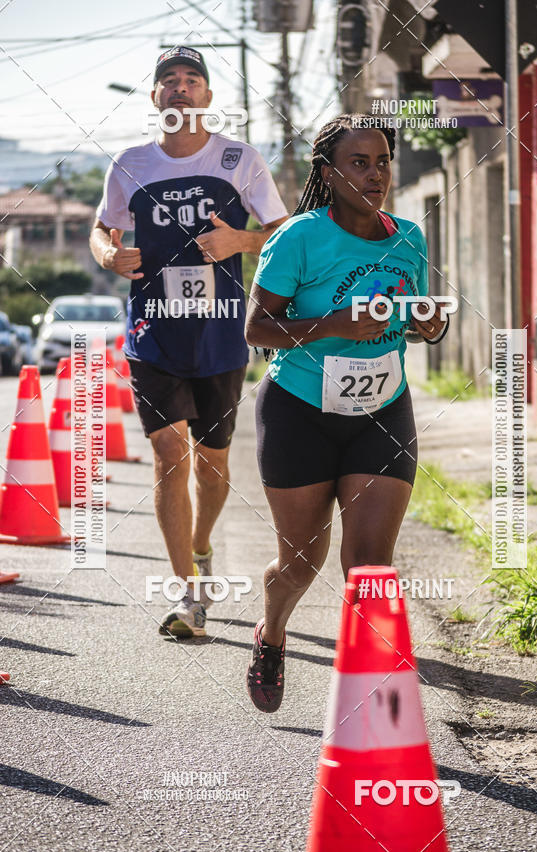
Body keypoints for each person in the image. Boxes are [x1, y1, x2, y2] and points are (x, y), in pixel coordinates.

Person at [244, 113, 448, 712]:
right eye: (359, 162)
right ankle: (273, 632)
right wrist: (331, 325)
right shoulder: (299, 237)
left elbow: (408, 318)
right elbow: (257, 328)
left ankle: (371, 705)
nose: (376, 173)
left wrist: (428, 324)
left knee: (369, 565)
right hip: (299, 410)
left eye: (383, 160)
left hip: (382, 410)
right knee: (300, 561)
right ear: (328, 173)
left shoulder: (408, 234)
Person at [90, 46, 287, 638]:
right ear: (154, 98)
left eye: (192, 80)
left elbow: (284, 231)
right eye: (168, 81)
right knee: (170, 455)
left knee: (213, 460)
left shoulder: (239, 158)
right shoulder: (130, 163)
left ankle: (202, 544)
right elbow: (104, 228)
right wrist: (109, 254)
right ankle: (189, 596)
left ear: (207, 96)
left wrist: (241, 244)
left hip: (222, 331)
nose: (180, 88)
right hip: (152, 332)